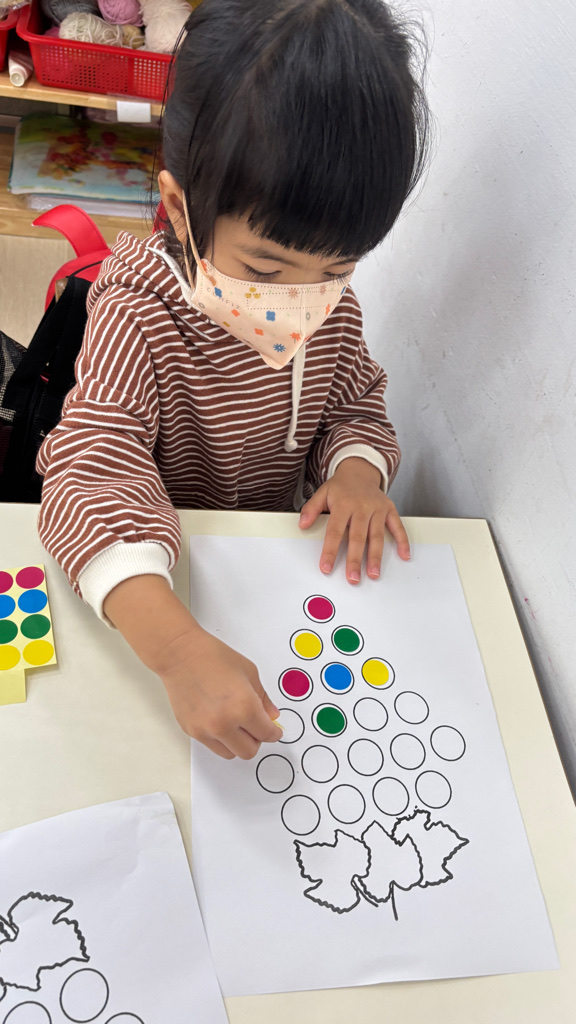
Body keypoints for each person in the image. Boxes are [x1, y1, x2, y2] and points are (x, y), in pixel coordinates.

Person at [37, 0, 430, 762]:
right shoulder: (139, 313)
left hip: (267, 575)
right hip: (159, 585)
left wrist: (356, 471)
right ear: (179, 209)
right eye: (265, 269)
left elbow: (355, 404)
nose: (303, 301)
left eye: (338, 268)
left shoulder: (330, 308)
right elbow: (89, 470)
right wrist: (175, 650)